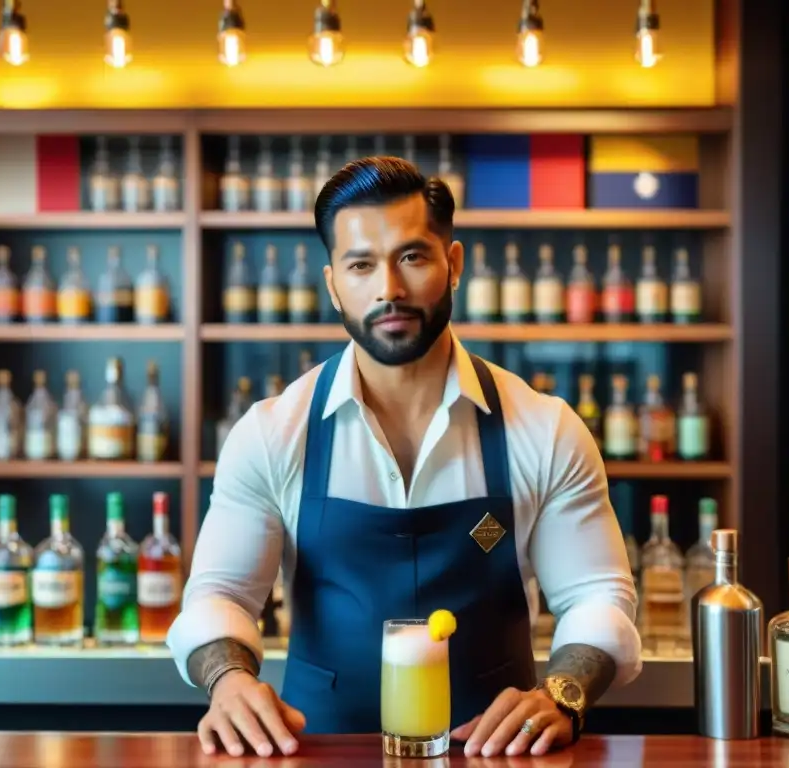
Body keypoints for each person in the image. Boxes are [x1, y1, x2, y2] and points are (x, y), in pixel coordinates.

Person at [166, 155, 641, 759]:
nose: (388, 288)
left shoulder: (545, 429)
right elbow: (220, 596)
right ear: (334, 284)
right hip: (318, 752)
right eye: (361, 265)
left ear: (454, 264)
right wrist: (227, 680)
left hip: (497, 755)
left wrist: (563, 693)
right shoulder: (271, 434)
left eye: (412, 257)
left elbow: (597, 597)